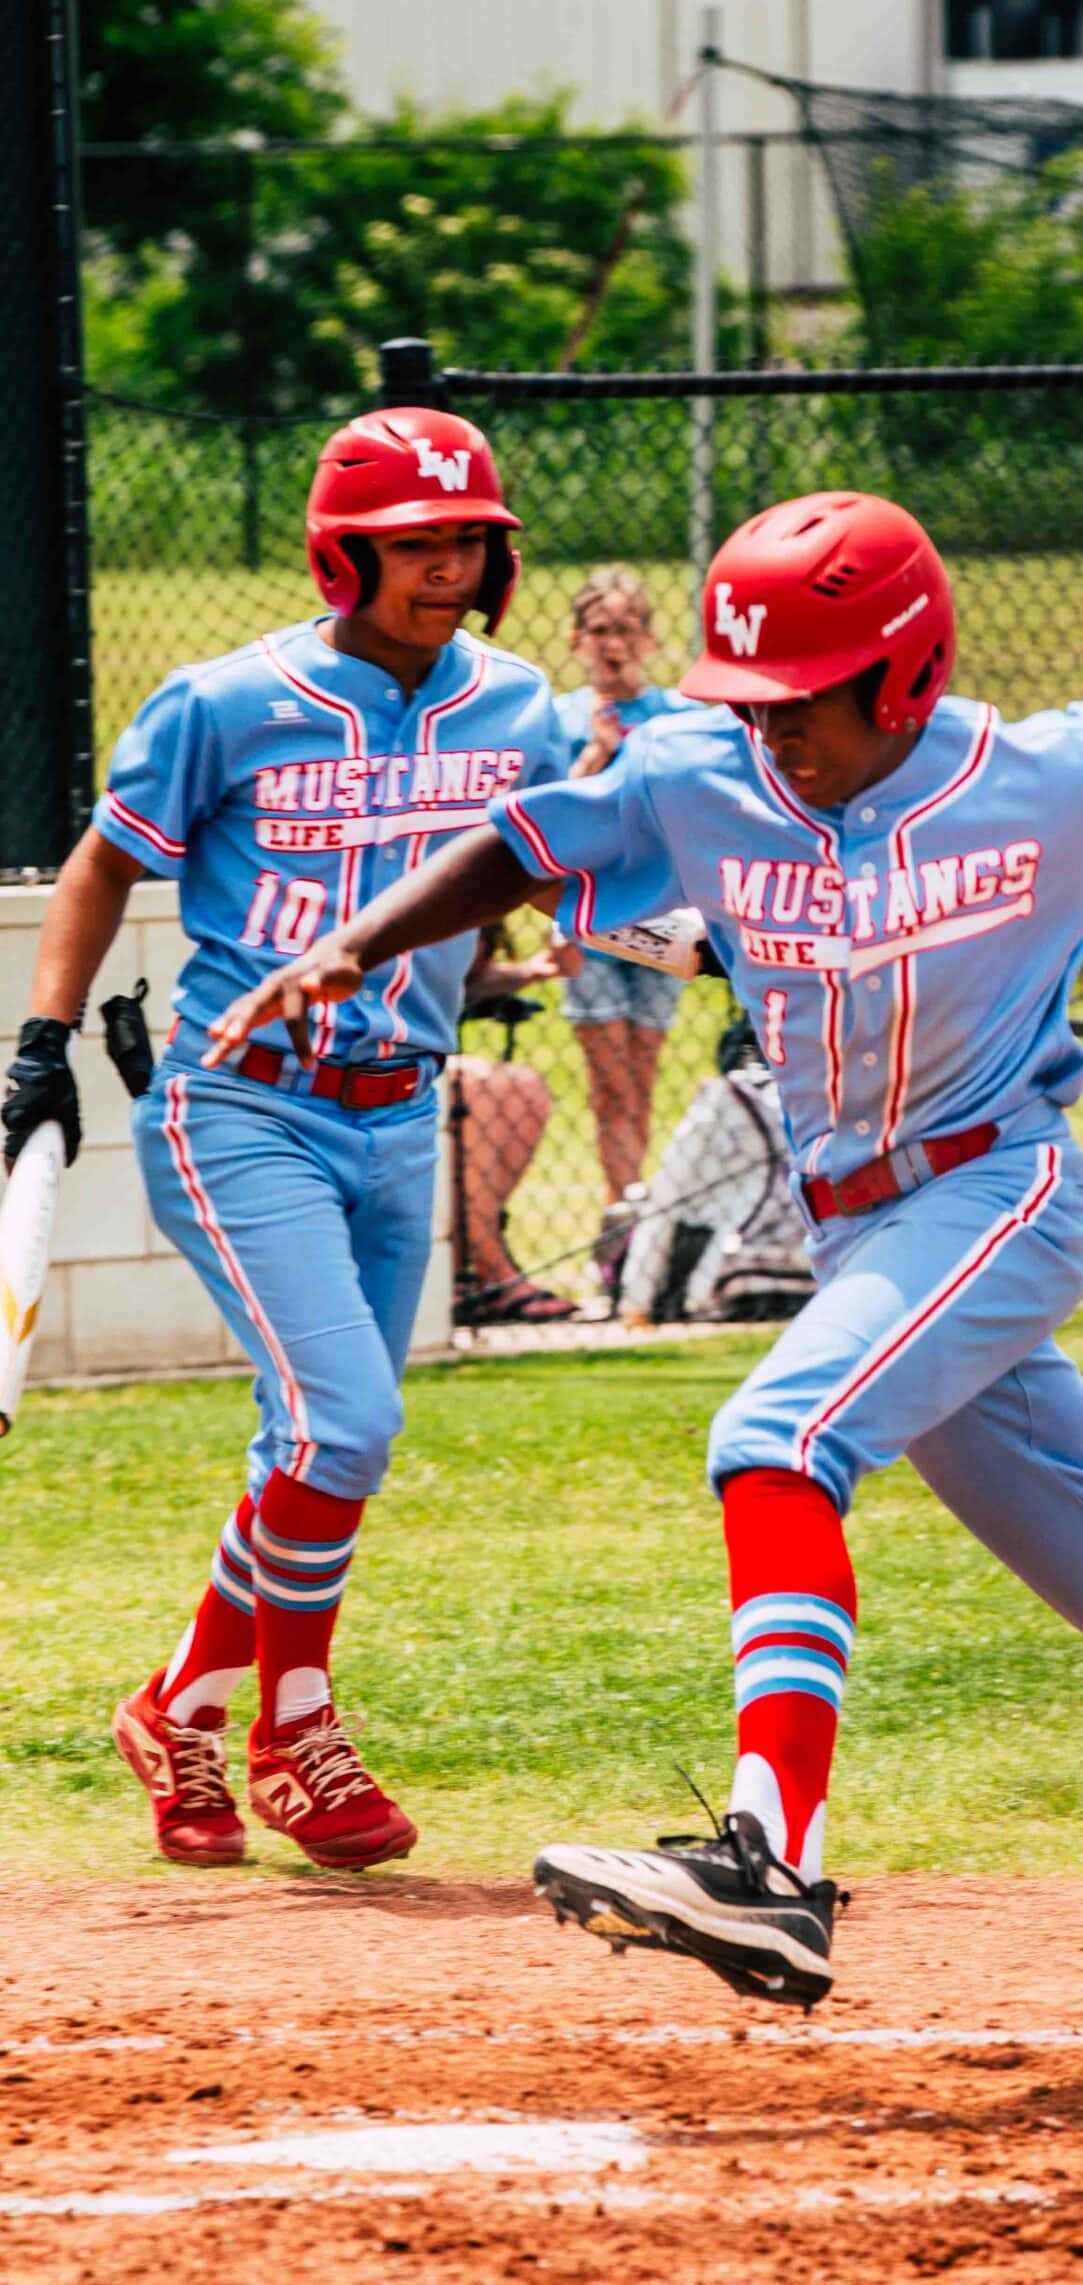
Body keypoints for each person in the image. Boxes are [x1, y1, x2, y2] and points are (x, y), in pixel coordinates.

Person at [207, 490, 1083, 1998]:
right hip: (859, 1233)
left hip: (998, 1194)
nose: (768, 731)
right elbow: (524, 846)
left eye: (799, 701)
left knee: (774, 1438)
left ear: (903, 676)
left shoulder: (1060, 776)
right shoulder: (703, 770)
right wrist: (345, 948)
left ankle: (769, 1860)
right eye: (747, 702)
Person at [0, 404, 563, 1871]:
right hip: (241, 1106)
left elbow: (557, 872)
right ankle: (291, 1730)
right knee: (347, 1424)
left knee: (317, 1445)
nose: (445, 569)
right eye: (412, 545)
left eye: (467, 543)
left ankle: (178, 1704)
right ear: (341, 556)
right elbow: (101, 867)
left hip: (399, 1117)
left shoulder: (519, 708)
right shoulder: (223, 701)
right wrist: (39, 1046)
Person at [555, 570, 694, 1271]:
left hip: (664, 916)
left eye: (628, 629)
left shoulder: (678, 717)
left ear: (650, 638)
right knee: (609, 1084)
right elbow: (555, 820)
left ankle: (636, 1217)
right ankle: (621, 1233)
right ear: (578, 640)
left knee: (642, 1075)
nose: (615, 645)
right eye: (601, 631)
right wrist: (596, 753)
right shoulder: (561, 718)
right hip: (590, 917)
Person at [617, 1017, 814, 1329]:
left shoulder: (723, 1095)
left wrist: (636, 1302)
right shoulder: (823, 1093)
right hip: (822, 1270)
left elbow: (667, 1196)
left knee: (665, 1202)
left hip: (730, 1280)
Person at [448, 924, 582, 1325]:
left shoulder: (470, 896)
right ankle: (492, 1269)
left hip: (429, 1062)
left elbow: (458, 984)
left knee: (524, 1086)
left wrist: (532, 971)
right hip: (375, 1055)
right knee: (479, 1087)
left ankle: (464, 1262)